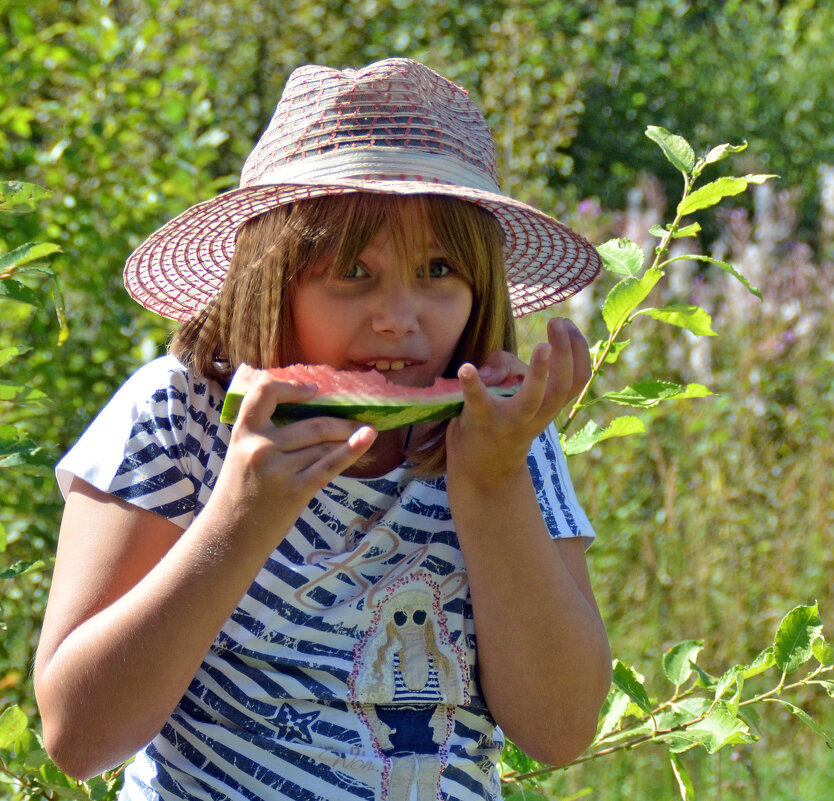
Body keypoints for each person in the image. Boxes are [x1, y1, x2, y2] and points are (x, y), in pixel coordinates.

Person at [33, 58, 612, 801]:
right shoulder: (177, 415)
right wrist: (241, 517)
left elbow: (559, 728)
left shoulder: (506, 434)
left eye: (438, 269)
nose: (399, 317)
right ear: (271, 278)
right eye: (353, 271)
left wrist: (493, 483)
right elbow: (77, 737)